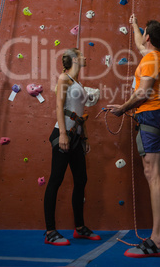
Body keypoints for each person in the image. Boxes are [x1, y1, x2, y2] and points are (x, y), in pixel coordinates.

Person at [107, 15, 160, 258]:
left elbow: (142, 93)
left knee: (154, 176)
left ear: (149, 38)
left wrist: (122, 108)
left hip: (150, 117)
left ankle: (157, 242)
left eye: (143, 34)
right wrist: (135, 24)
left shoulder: (149, 60)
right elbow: (139, 43)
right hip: (158, 117)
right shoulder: (157, 56)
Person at [44, 48, 101, 245]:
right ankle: (50, 232)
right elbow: (60, 107)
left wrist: (84, 138)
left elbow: (79, 113)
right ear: (75, 59)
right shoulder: (64, 79)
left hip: (75, 136)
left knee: (81, 179)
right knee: (56, 180)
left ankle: (79, 228)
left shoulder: (77, 82)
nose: (86, 58)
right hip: (63, 135)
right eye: (82, 56)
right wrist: (62, 134)